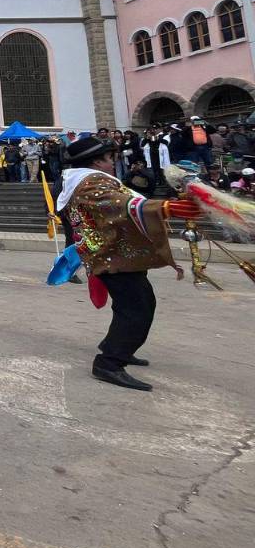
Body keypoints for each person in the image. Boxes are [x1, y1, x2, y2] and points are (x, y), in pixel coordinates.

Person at [57, 136, 200, 392]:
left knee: (136, 304)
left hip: (116, 253)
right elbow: (117, 204)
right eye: (110, 158)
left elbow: (124, 200)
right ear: (96, 161)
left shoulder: (88, 180)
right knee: (137, 308)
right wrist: (166, 207)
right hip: (110, 255)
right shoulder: (88, 182)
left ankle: (118, 347)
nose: (114, 163)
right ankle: (109, 362)